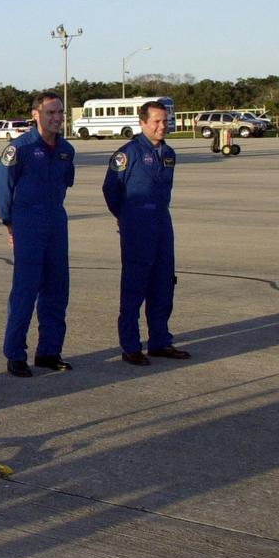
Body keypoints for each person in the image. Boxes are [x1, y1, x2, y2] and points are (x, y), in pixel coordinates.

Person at [0, 92, 76, 378]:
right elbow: (3, 189)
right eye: (50, 112)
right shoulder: (20, 148)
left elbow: (65, 183)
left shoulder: (66, 150)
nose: (56, 118)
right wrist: (10, 223)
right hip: (27, 221)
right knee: (25, 290)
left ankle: (49, 351)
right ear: (35, 114)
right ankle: (15, 354)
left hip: (55, 221)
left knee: (57, 288)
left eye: (60, 113)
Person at [102, 100, 190, 365]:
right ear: (142, 123)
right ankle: (130, 346)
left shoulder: (169, 154)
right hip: (137, 226)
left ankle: (160, 341)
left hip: (162, 224)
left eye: (165, 121)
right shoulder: (127, 154)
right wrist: (127, 217)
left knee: (163, 284)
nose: (162, 126)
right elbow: (110, 190)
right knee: (134, 287)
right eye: (156, 121)